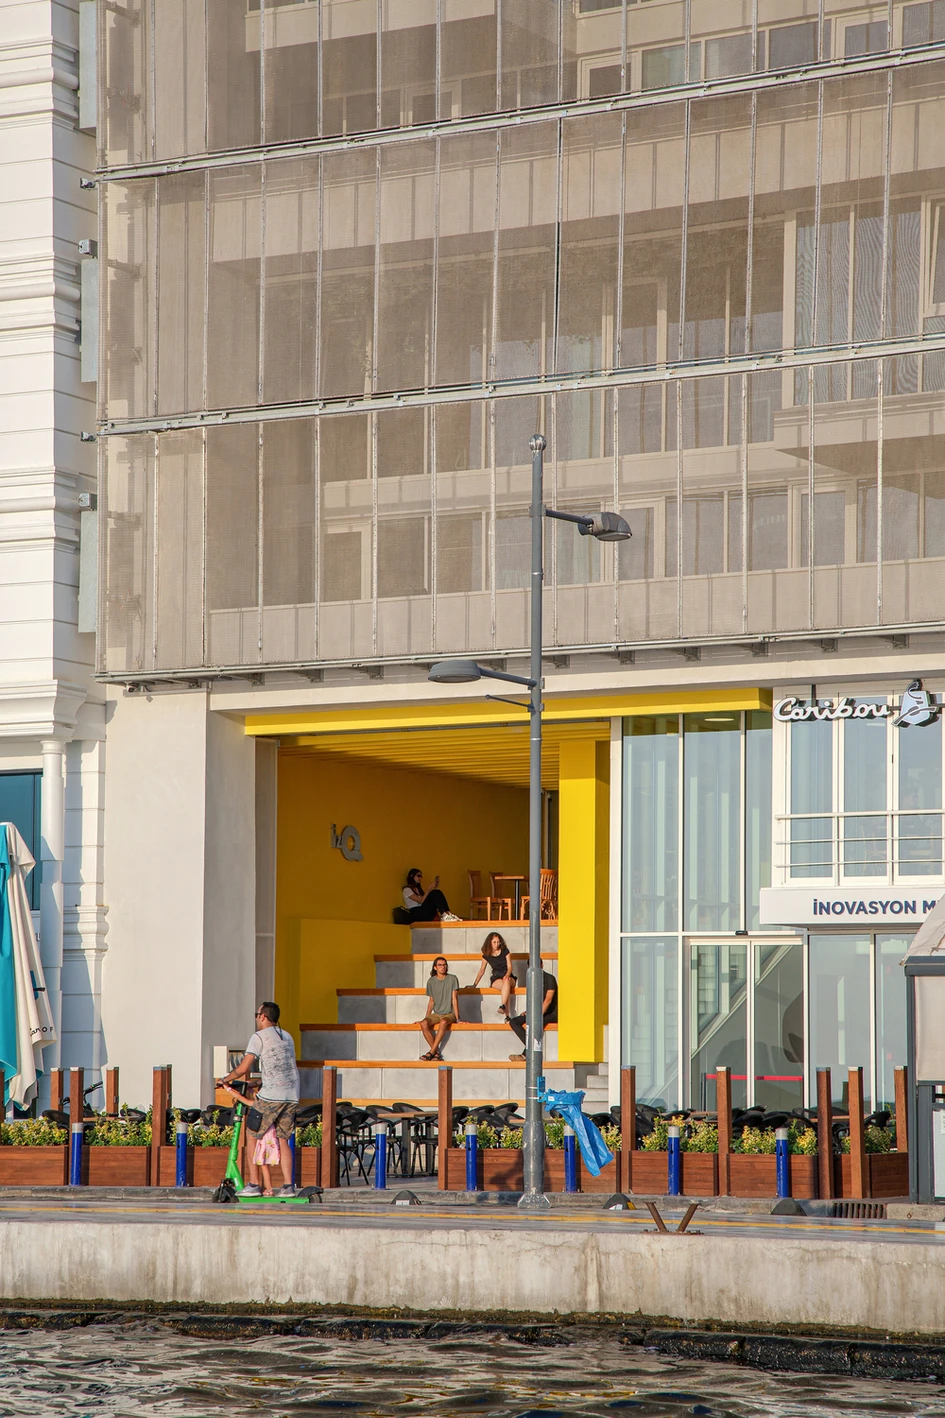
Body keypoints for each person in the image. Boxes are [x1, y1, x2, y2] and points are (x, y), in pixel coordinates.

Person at [217, 1001, 300, 1198]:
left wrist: (224, 1080)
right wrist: (260, 1082)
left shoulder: (258, 1037)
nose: (256, 1018)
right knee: (283, 1139)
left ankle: (254, 1184)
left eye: (257, 1014)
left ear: (263, 1016)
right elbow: (281, 1068)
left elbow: (243, 1068)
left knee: (252, 1134)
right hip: (291, 1095)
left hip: (271, 1097)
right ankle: (288, 1186)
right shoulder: (287, 1036)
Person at [508, 962, 558, 1060]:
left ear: (542, 965)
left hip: (550, 1012)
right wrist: (529, 1011)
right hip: (537, 1011)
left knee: (535, 1024)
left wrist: (537, 1016)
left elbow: (548, 1000)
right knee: (514, 1021)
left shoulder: (550, 978)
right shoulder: (532, 980)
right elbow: (534, 999)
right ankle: (529, 1046)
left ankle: (525, 1054)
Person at [419, 955, 460, 1060]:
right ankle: (436, 1052)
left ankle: (431, 1051)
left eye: (445, 965)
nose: (443, 967)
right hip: (436, 1013)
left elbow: (454, 999)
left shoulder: (452, 979)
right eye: (440, 965)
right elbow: (431, 1002)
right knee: (423, 1023)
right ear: (435, 967)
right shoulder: (431, 981)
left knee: (443, 1022)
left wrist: (458, 1018)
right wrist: (426, 1017)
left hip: (449, 1013)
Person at [472, 931, 516, 1017]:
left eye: (498, 942)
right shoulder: (486, 955)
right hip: (496, 977)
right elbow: (482, 971)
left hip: (508, 975)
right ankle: (507, 1016)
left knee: (506, 982)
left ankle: (503, 1006)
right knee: (505, 987)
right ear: (490, 943)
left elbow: (510, 967)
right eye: (494, 942)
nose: (497, 944)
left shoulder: (505, 951)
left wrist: (507, 975)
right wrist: (474, 985)